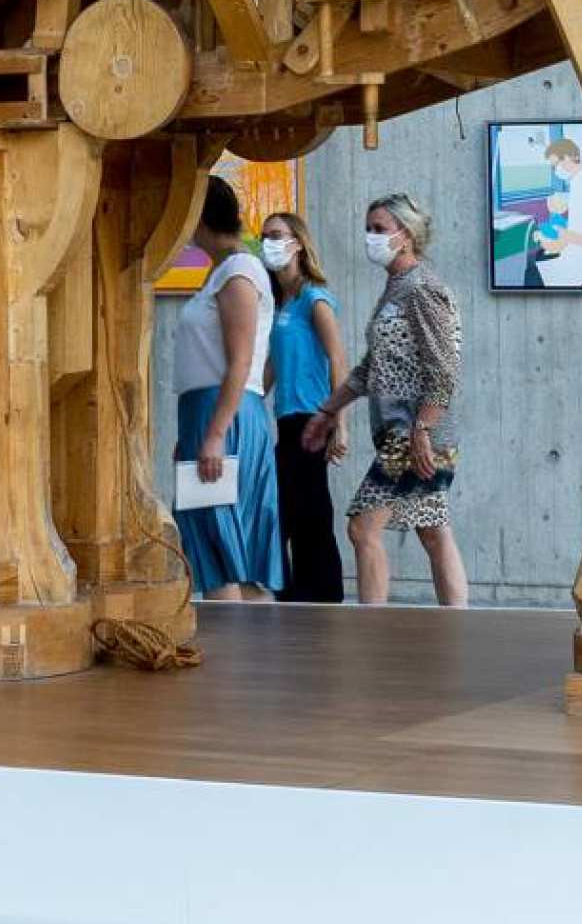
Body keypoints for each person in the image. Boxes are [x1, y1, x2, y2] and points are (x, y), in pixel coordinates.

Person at [314, 192, 468, 606]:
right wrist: (329, 409)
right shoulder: (397, 288)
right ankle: (460, 624)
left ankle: (372, 630)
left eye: (379, 229)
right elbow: (372, 368)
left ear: (407, 234)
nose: (371, 237)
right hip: (406, 434)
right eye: (368, 228)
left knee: (363, 529)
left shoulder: (421, 289)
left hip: (416, 436)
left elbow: (445, 369)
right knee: (434, 532)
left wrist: (422, 430)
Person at [171, 177, 282, 601]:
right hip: (211, 414)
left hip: (225, 416)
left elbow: (240, 361)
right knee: (224, 548)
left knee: (223, 551)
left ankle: (237, 660)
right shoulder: (225, 271)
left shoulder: (239, 271)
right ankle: (252, 659)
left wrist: (214, 434)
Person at [257, 208, 346, 604]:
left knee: (309, 510)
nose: (269, 243)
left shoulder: (314, 298)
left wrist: (338, 424)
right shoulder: (281, 304)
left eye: (277, 235)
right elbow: (273, 364)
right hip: (286, 419)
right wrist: (249, 402)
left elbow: (338, 361)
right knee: (287, 510)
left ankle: (324, 596)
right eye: (265, 235)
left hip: (312, 417)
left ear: (297, 243)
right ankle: (295, 593)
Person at [535, 135, 582, 289]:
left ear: (569, 157)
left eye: (556, 165)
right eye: (553, 167)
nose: (556, 170)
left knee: (534, 271)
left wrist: (559, 235)